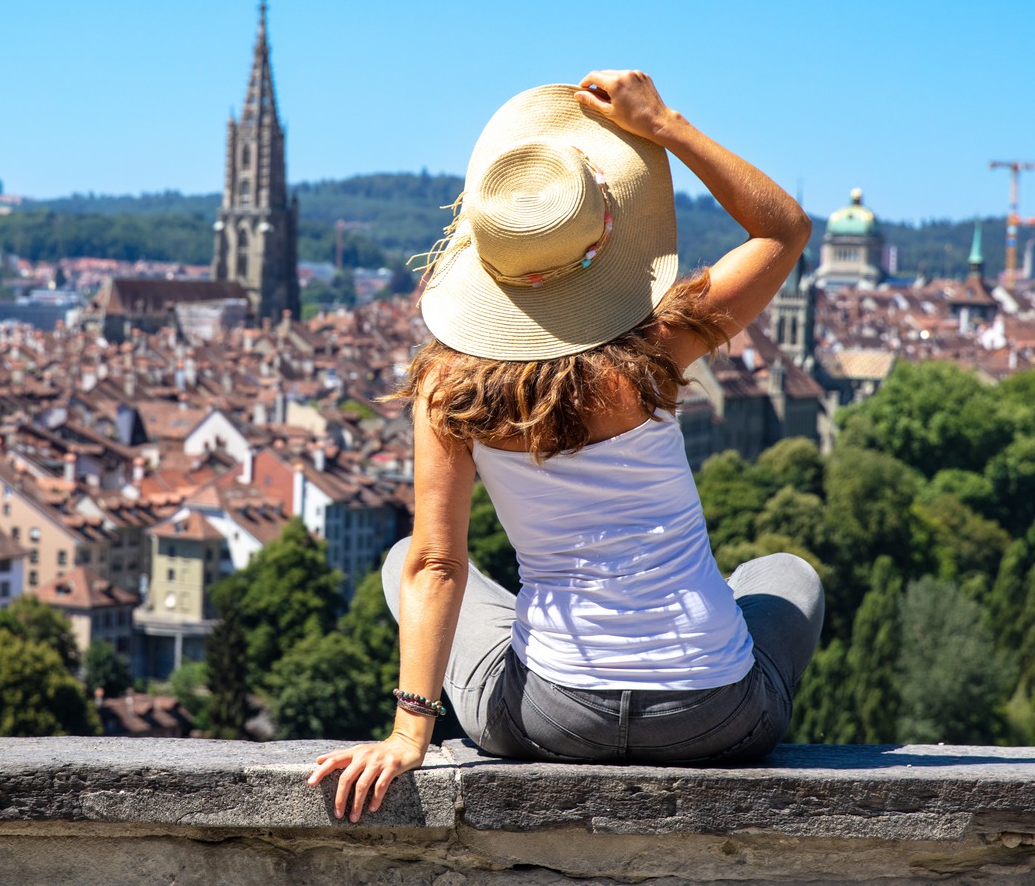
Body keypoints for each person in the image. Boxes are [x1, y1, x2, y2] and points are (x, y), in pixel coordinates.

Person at [306, 71, 824, 822]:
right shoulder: (656, 346)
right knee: (785, 574)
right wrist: (665, 125)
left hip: (553, 717)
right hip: (714, 717)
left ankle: (550, 640)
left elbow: (438, 565)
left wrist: (406, 732)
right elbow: (784, 228)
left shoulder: (449, 386)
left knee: (403, 559)